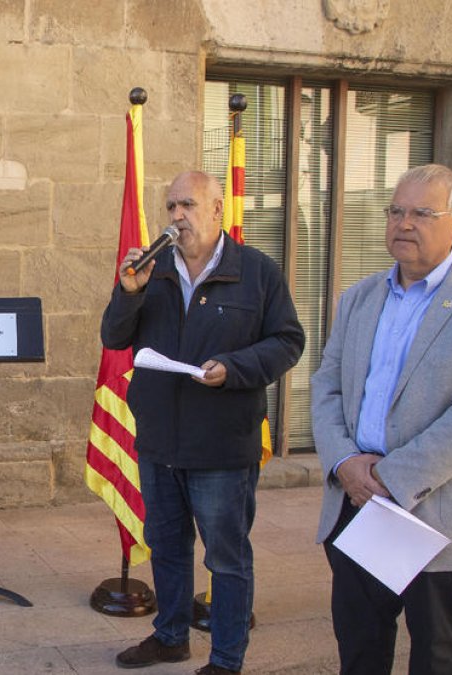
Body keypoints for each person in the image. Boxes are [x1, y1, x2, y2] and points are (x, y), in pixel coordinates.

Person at [312, 164, 452, 674]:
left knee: (435, 654)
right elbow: (327, 385)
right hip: (357, 504)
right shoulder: (360, 296)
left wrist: (387, 476)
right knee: (359, 647)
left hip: (436, 513)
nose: (404, 223)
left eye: (422, 213)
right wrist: (345, 462)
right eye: (396, 211)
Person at [102, 171, 304, 674]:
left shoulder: (256, 272)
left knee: (226, 559)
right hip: (160, 442)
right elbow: (113, 338)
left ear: (218, 210)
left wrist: (233, 369)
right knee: (167, 549)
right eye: (170, 206)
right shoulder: (154, 270)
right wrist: (129, 292)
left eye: (187, 205)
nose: (176, 216)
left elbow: (288, 342)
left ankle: (227, 659)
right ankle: (169, 636)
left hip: (221, 447)